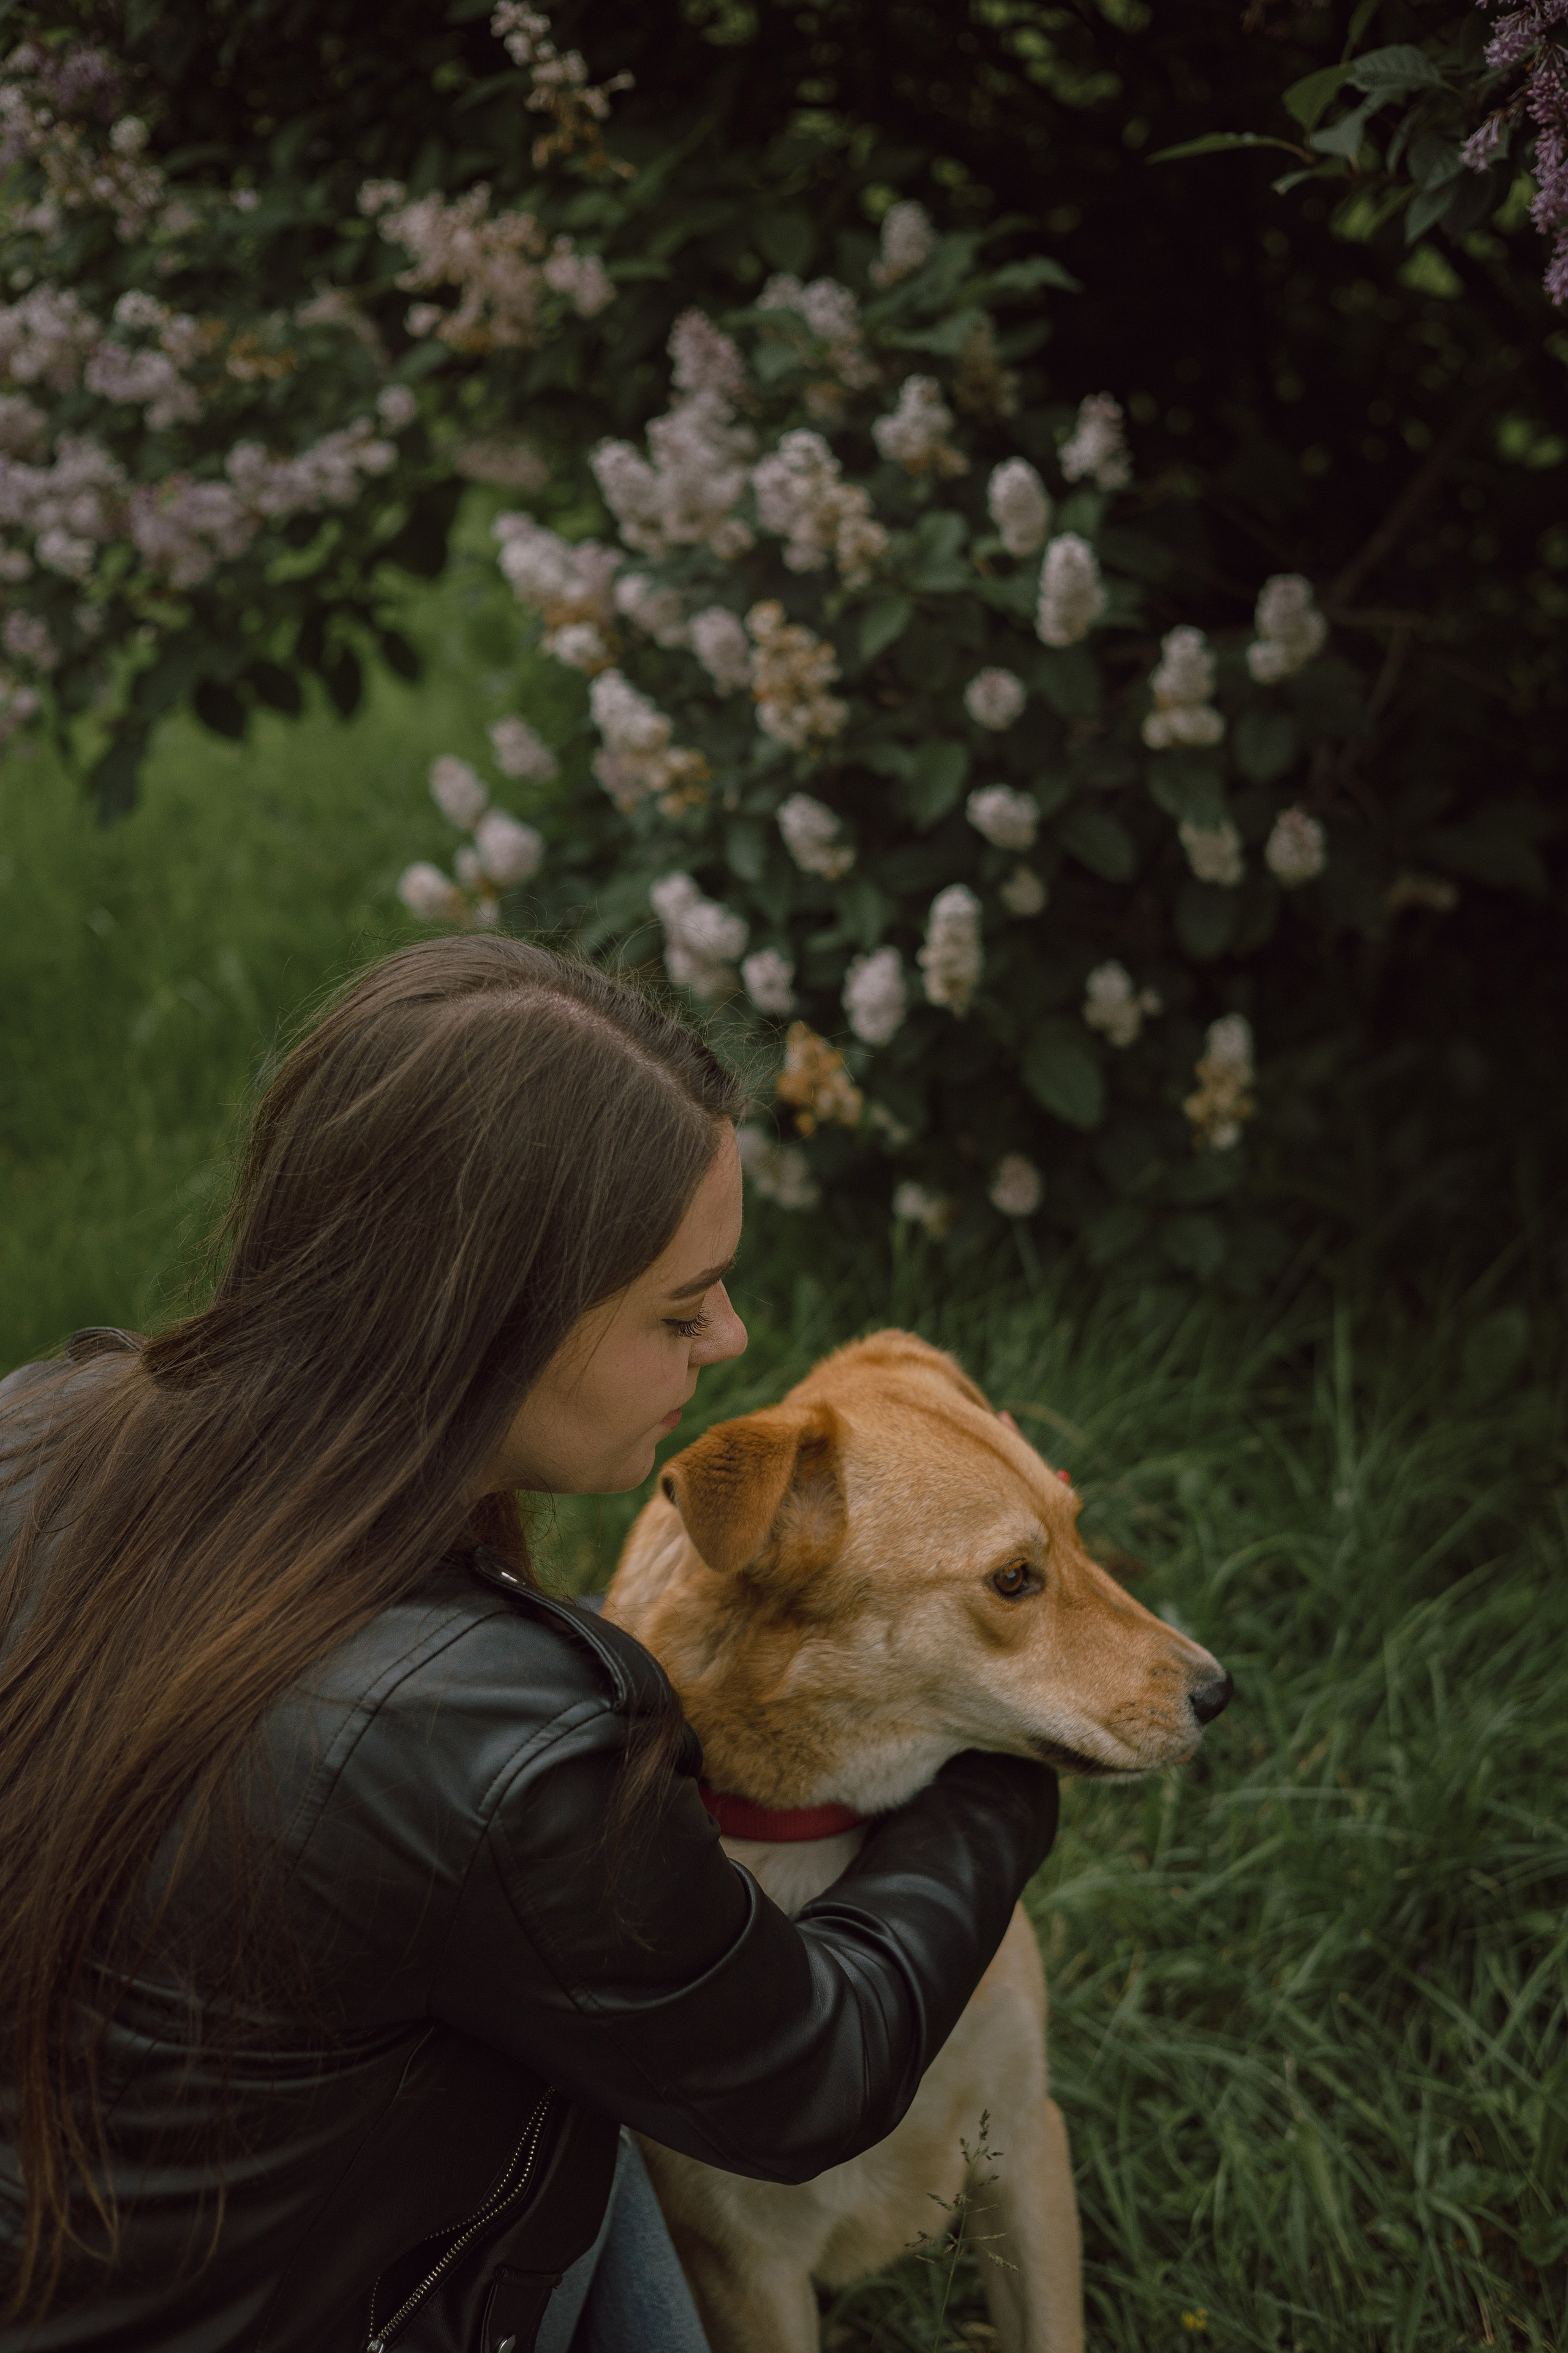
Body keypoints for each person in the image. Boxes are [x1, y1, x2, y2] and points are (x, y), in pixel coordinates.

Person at [0, 938, 1059, 2353]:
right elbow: (811, 2068)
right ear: (484, 1321)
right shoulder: (491, 1741)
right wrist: (1018, 1736)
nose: (733, 1338)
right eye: (679, 1309)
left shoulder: (44, 1424)